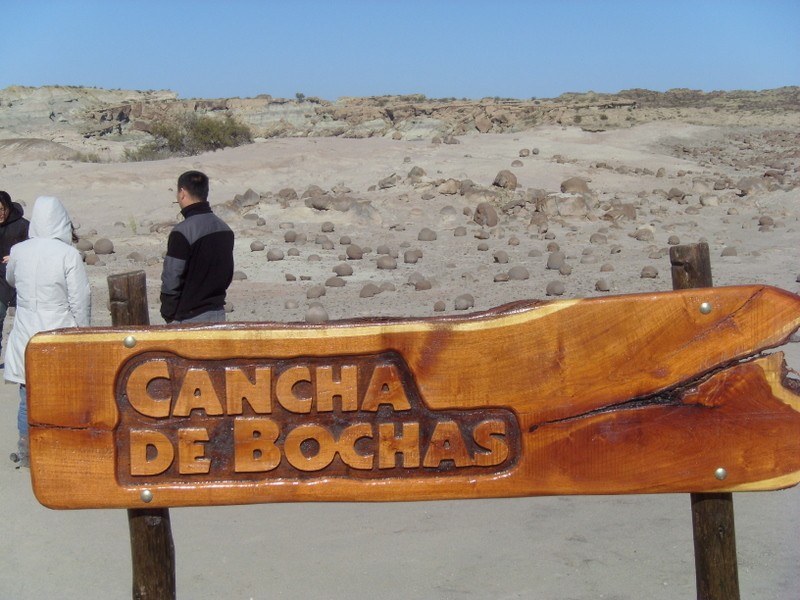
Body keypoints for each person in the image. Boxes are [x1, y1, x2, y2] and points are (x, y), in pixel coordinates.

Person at [5, 196, 91, 468]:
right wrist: (83, 333)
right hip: (58, 329)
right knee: (61, 391)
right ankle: (59, 443)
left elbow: (10, 279)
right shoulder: (68, 254)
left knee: (26, 393)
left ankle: (27, 448)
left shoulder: (19, 250)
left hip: (26, 330)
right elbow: (80, 298)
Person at [160, 170, 234, 323]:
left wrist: (169, 313)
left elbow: (172, 278)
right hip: (217, 313)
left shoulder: (182, 231)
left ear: (182, 192)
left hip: (188, 317)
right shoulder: (225, 229)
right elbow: (227, 273)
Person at [0, 191, 30, 360]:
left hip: (22, 280)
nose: (0, 213)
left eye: (2, 209)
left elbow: (34, 247)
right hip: (0, 281)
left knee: (25, 323)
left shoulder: (23, 225)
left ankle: (25, 358)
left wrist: (16, 256)